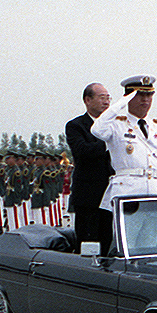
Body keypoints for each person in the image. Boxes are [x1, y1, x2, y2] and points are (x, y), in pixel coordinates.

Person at [91, 75, 157, 251]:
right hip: (128, 193)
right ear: (129, 97)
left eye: (149, 95)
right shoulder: (116, 124)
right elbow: (97, 129)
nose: (145, 100)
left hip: (153, 194)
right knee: (126, 247)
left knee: (148, 248)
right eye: (140, 95)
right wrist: (120, 105)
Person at [65, 82, 115, 250]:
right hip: (88, 197)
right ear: (87, 100)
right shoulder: (76, 126)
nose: (107, 102)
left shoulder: (116, 125)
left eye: (108, 98)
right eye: (102, 98)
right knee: (89, 245)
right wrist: (110, 141)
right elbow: (83, 151)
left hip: (112, 196)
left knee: (109, 243)